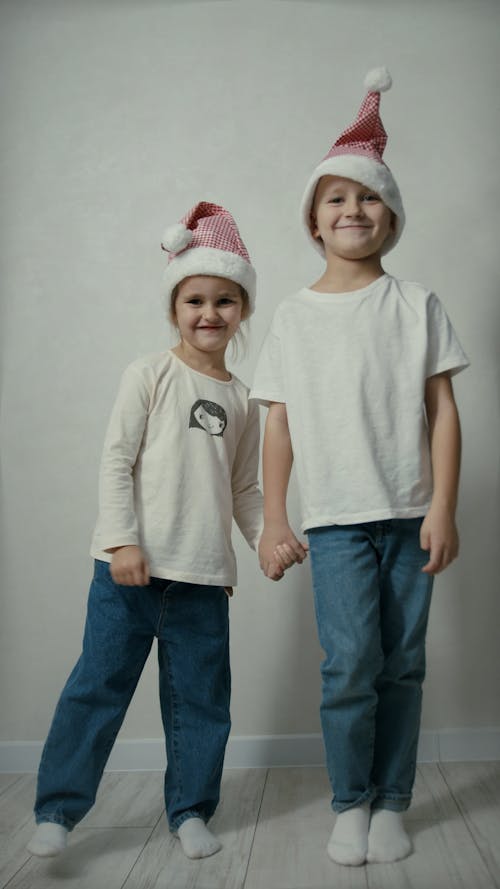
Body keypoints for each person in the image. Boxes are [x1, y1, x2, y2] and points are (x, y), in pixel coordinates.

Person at [251, 68, 469, 866]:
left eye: (368, 198)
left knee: (402, 665)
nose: (353, 210)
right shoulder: (292, 317)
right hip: (335, 519)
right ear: (314, 221)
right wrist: (275, 516)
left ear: (392, 217)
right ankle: (350, 799)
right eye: (336, 199)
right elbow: (278, 422)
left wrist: (443, 504)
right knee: (350, 665)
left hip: (411, 514)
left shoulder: (417, 305)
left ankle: (391, 801)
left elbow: (442, 411)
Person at [27, 201, 291, 862]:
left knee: (201, 701)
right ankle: (59, 807)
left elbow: (244, 489)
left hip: (203, 578)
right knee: (97, 687)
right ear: (174, 306)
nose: (209, 313)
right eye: (195, 299)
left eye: (225, 301)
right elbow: (117, 459)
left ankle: (192, 808)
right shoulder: (148, 374)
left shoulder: (242, 397)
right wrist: (121, 540)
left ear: (243, 310)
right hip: (127, 572)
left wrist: (263, 537)